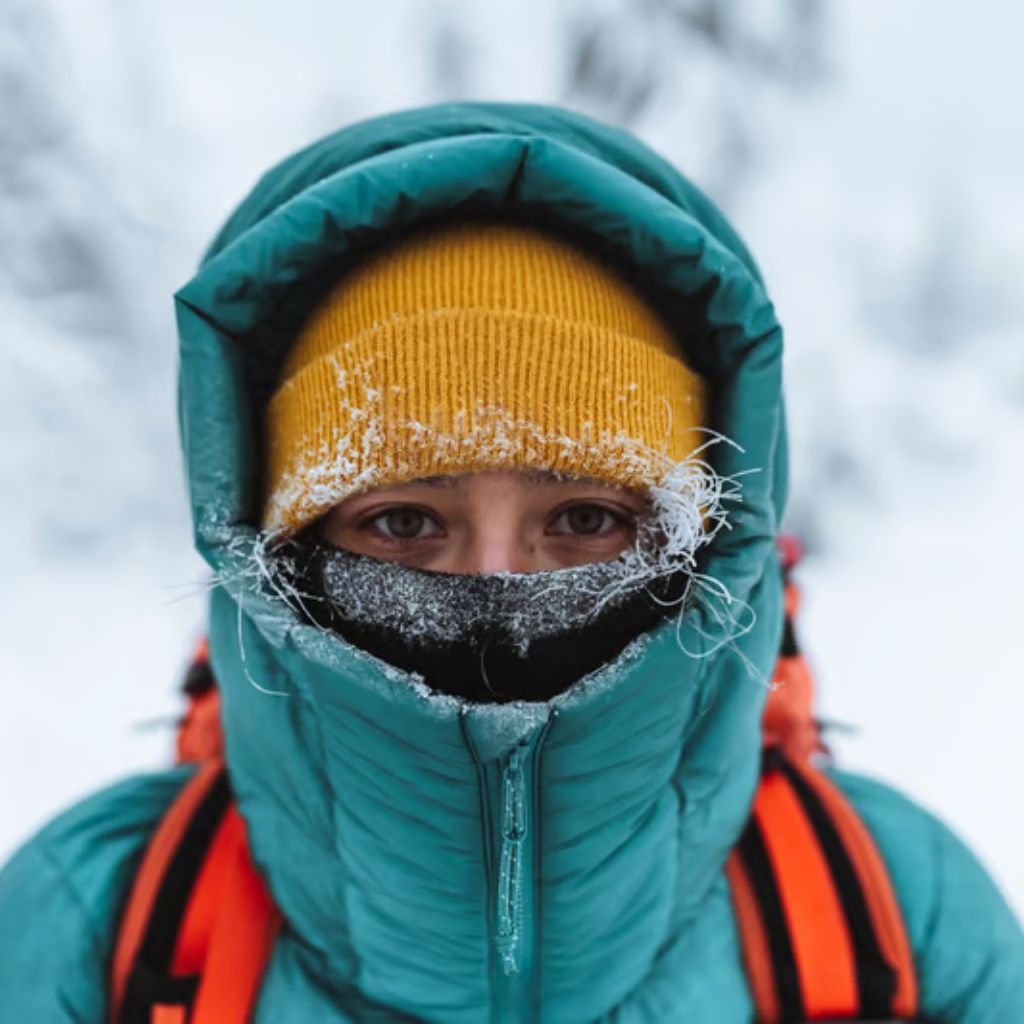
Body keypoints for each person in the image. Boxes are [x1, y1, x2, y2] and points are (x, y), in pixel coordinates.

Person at [0, 101, 1021, 1022]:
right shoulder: (92, 926)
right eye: (402, 523)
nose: (501, 587)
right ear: (279, 552)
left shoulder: (895, 918)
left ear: (700, 540)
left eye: (583, 515)